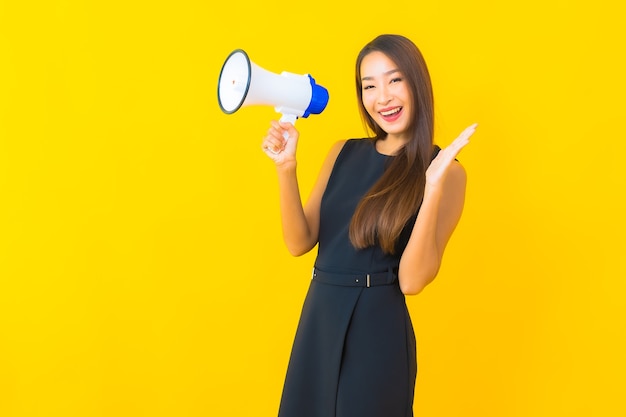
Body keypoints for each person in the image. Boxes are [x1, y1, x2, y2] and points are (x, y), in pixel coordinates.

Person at [261, 34, 477, 417]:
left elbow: (412, 281)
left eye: (395, 80)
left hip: (377, 334)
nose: (383, 97)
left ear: (417, 83)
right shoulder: (342, 152)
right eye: (369, 86)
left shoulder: (447, 174)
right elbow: (299, 242)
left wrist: (431, 187)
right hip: (319, 321)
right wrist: (286, 168)